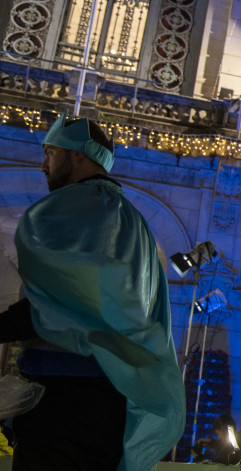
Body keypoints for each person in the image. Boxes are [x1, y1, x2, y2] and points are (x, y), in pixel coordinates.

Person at [0, 114, 185, 470]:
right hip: (109, 400)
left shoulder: (77, 209)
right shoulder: (132, 220)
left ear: (77, 155)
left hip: (64, 405)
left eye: (50, 153)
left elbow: (53, 308)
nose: (43, 165)